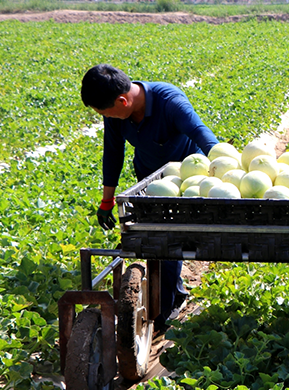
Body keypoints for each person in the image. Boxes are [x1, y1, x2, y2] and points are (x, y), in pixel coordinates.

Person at [81, 64, 220, 330]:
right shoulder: (116, 114)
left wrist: (223, 169)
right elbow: (113, 153)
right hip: (149, 176)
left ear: (122, 101)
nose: (106, 117)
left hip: (183, 179)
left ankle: (165, 308)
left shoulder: (170, 102)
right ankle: (171, 295)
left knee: (167, 239)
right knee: (158, 237)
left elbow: (203, 135)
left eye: (106, 111)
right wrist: (106, 200)